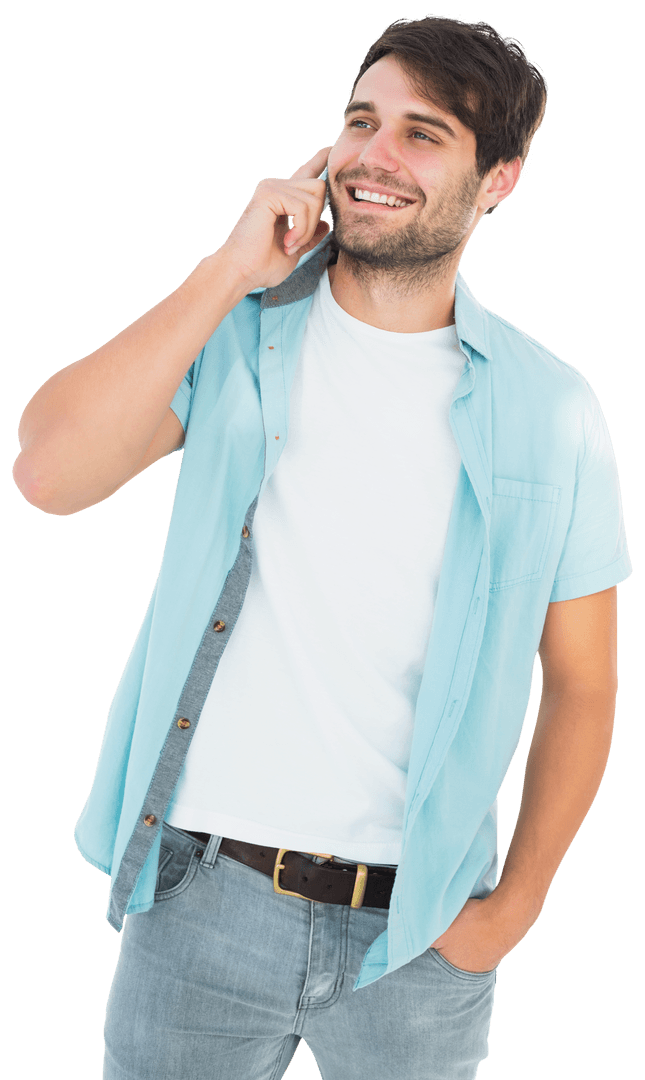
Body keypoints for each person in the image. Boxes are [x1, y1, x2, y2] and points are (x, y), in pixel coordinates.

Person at [13, 14, 632, 1080]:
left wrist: (515, 905)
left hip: (422, 936)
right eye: (361, 122)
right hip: (199, 906)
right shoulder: (240, 339)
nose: (372, 156)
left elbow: (583, 684)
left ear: (500, 179)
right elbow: (47, 473)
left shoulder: (554, 408)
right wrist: (225, 270)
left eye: (423, 134)